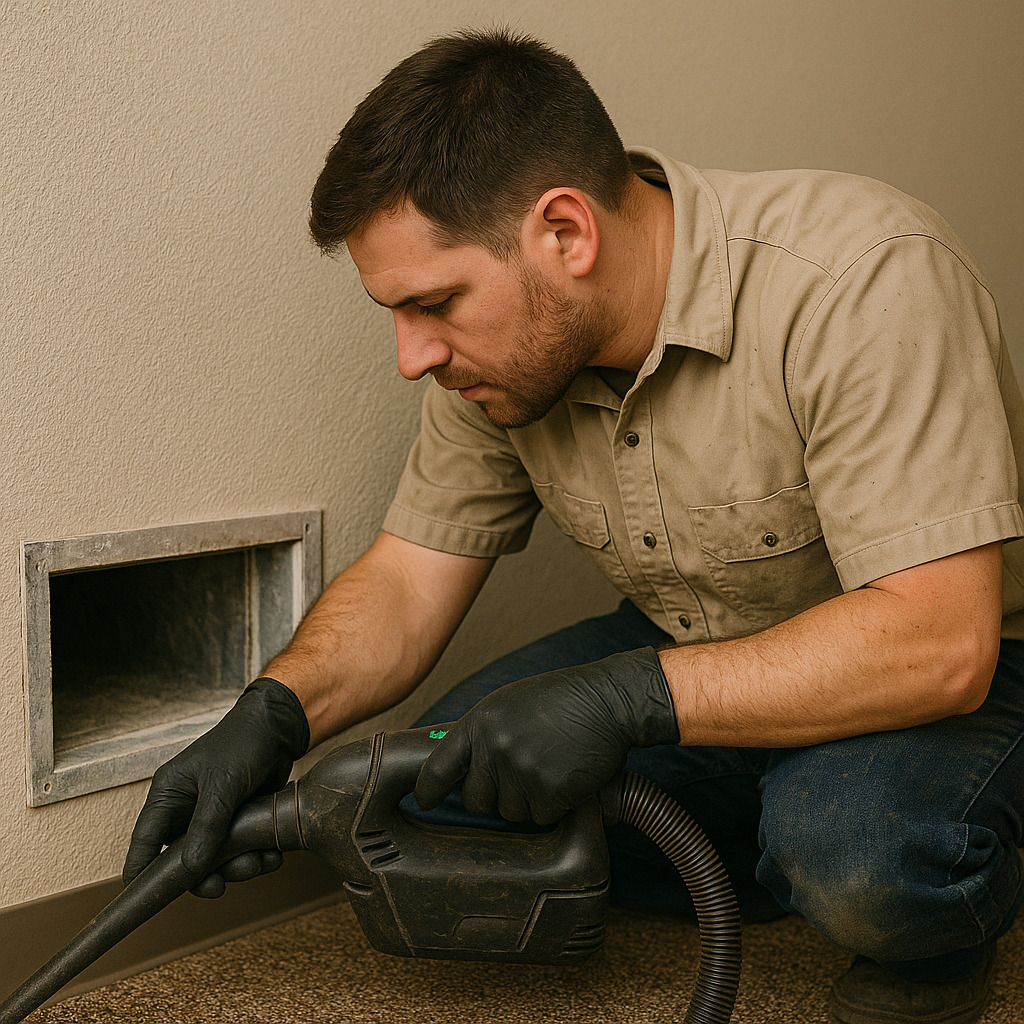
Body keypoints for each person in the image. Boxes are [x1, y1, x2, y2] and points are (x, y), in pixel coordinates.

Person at [122, 29, 1024, 1024]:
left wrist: (624, 701)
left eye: (434, 303)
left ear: (564, 233)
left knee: (866, 858)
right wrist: (268, 719)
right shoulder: (492, 368)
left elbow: (938, 641)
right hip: (699, 645)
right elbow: (411, 579)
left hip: (952, 664)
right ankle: (770, 842)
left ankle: (919, 890)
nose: (410, 355)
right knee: (430, 785)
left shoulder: (858, 275)